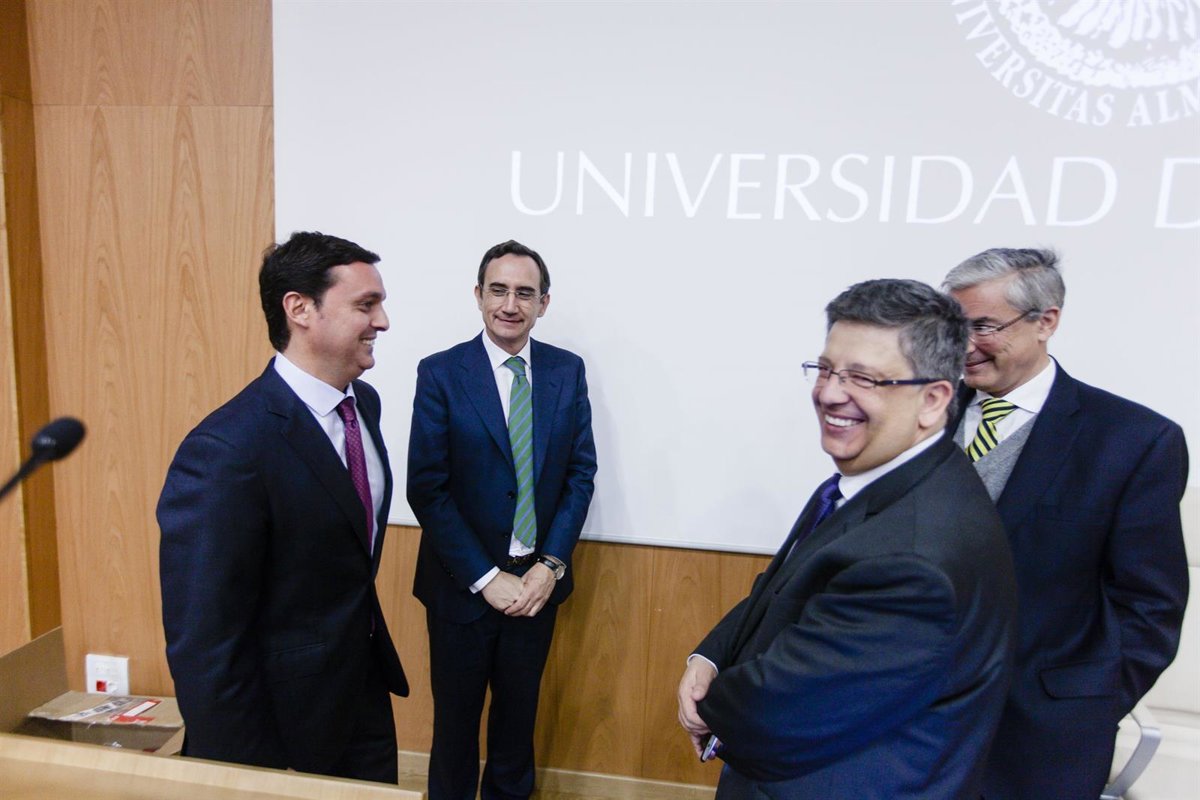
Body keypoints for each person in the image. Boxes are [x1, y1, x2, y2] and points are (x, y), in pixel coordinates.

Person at [677, 279, 1016, 800]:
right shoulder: (891, 478)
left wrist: (712, 706)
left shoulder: (912, 562)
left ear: (932, 400)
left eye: (863, 378)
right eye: (826, 369)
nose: (830, 393)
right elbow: (783, 589)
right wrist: (711, 656)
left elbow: (780, 710)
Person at [158, 231, 408, 782]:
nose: (383, 321)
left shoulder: (362, 405)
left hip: (361, 694)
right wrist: (244, 775)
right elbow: (205, 641)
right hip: (278, 726)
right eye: (365, 305)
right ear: (299, 309)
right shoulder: (226, 449)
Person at [943, 248, 1189, 800]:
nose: (964, 344)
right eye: (952, 326)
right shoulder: (918, 414)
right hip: (903, 727)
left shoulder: (1133, 441)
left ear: (1046, 321)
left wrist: (1085, 706)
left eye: (984, 326)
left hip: (1037, 743)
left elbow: (1150, 604)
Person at [407, 239, 597, 800]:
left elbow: (580, 474)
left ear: (543, 303)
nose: (510, 304)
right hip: (461, 588)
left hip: (536, 587)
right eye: (498, 290)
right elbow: (427, 487)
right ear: (478, 295)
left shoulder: (566, 371)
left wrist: (550, 565)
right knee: (455, 729)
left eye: (524, 293)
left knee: (517, 726)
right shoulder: (441, 373)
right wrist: (486, 578)